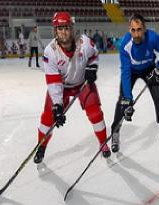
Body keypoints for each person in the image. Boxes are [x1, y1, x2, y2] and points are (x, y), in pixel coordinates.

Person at [33, 12, 111, 164]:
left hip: (83, 83)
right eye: (60, 28)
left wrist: (92, 68)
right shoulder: (51, 51)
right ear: (55, 31)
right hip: (62, 87)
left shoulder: (84, 42)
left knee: (95, 113)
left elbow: (94, 55)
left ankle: (103, 143)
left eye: (66, 27)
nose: (63, 32)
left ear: (72, 28)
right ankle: (41, 147)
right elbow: (53, 81)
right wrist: (57, 106)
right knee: (48, 118)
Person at [110, 14, 159, 153]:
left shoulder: (152, 37)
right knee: (122, 102)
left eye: (139, 29)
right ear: (129, 29)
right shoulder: (126, 45)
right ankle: (115, 132)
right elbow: (125, 72)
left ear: (145, 29)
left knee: (158, 100)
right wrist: (128, 99)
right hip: (132, 71)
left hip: (150, 69)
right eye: (133, 30)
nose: (136, 34)